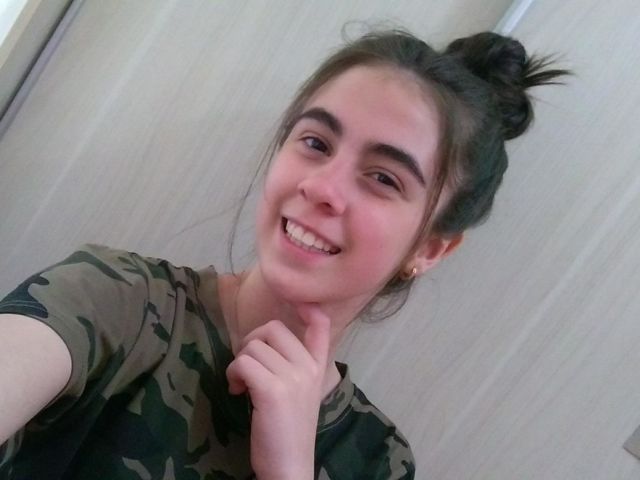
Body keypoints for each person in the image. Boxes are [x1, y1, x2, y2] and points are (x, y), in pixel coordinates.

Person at [0, 28, 567, 479]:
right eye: (315, 143)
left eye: (383, 177)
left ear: (430, 247)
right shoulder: (113, 299)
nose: (322, 187)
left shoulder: (377, 461)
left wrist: (289, 470)